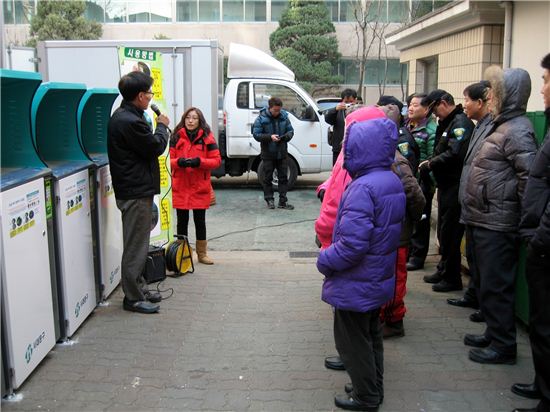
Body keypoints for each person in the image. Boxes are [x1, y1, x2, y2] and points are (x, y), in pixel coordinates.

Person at [317, 117, 406, 412]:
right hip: (376, 277)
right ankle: (371, 386)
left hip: (357, 279)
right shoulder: (390, 178)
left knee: (352, 342)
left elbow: (352, 246)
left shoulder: (362, 187)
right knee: (371, 337)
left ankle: (365, 396)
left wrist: (325, 259)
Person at [461, 66, 537, 365]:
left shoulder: (517, 130)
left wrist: (525, 222)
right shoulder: (500, 125)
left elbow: (530, 179)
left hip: (498, 222)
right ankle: (494, 333)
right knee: (488, 283)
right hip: (485, 218)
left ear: (507, 95)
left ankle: (504, 345)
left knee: (497, 286)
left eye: (494, 91)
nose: (488, 96)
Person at [107, 71, 170, 314]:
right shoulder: (129, 121)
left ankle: (139, 288)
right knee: (135, 245)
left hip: (136, 188)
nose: (151, 98)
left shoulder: (129, 116)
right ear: (141, 96)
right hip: (134, 192)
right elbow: (155, 146)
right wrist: (162, 126)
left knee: (140, 243)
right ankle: (132, 298)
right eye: (150, 94)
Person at [512, 53, 550, 412]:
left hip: (545, 243)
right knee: (541, 325)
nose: (544, 88)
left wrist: (540, 235)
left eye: (547, 80)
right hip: (539, 239)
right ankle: (542, 385)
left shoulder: (520, 128)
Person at [420, 89, 474, 292]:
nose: (435, 115)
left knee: (451, 232)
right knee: (444, 230)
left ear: (443, 102)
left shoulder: (460, 123)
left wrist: (430, 164)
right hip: (446, 185)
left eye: (435, 109)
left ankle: (452, 277)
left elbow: (454, 153)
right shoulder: (448, 122)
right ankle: (444, 269)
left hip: (455, 185)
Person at [447, 81, 493, 320]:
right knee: (474, 256)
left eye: (466, 100)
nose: (463, 105)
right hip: (472, 203)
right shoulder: (479, 126)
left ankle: (488, 311)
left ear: (480, 102)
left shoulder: (494, 127)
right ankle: (474, 296)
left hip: (485, 208)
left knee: (486, 264)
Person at [169, 107, 221, 265]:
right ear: (184, 119)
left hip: (199, 186)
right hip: (181, 186)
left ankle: (202, 254)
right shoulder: (176, 137)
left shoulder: (208, 138)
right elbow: (167, 161)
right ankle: (182, 253)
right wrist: (179, 162)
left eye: (194, 118)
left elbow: (216, 161)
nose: (190, 121)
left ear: (200, 121)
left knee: (200, 221)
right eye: (188, 118)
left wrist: (200, 162)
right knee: (181, 222)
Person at [403, 94, 438, 271]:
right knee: (408, 218)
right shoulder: (406, 125)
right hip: (407, 180)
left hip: (422, 181)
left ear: (426, 109)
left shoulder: (431, 130)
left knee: (421, 220)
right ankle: (408, 252)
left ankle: (418, 257)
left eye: (416, 105)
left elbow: (433, 158)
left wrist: (427, 180)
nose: (411, 108)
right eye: (410, 104)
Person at [252, 96, 295, 210]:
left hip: (282, 153)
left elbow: (290, 131)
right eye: (275, 110)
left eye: (279, 110)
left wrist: (287, 137)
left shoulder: (284, 117)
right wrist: (269, 137)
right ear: (269, 108)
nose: (277, 112)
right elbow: (256, 134)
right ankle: (269, 200)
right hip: (268, 153)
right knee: (267, 178)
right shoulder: (261, 118)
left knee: (283, 178)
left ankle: (282, 201)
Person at [325, 89, 358, 165]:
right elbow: (327, 119)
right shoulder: (337, 111)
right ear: (342, 101)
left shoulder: (359, 111)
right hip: (338, 148)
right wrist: (335, 109)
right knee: (337, 170)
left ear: (355, 100)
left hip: (354, 148)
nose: (348, 104)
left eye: (351, 102)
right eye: (346, 102)